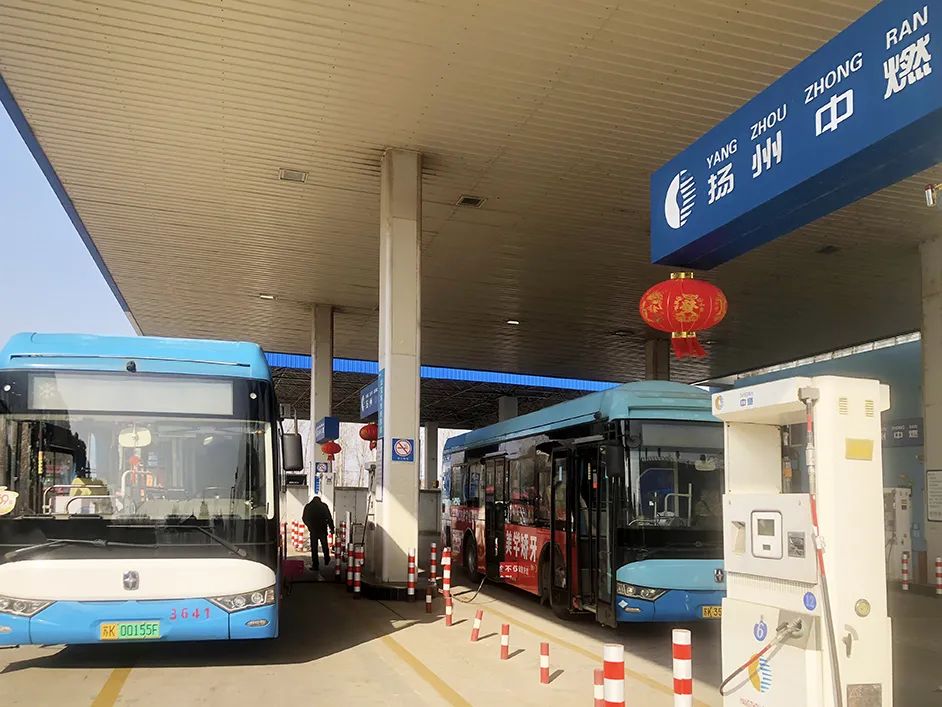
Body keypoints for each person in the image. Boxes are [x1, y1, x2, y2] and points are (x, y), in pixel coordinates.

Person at [302, 496, 334, 575]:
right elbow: (329, 518)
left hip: (313, 530)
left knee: (314, 548)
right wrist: (331, 528)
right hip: (322, 529)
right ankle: (327, 558)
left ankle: (315, 565)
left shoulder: (308, 506)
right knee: (324, 545)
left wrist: (309, 525)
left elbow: (304, 518)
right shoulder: (324, 506)